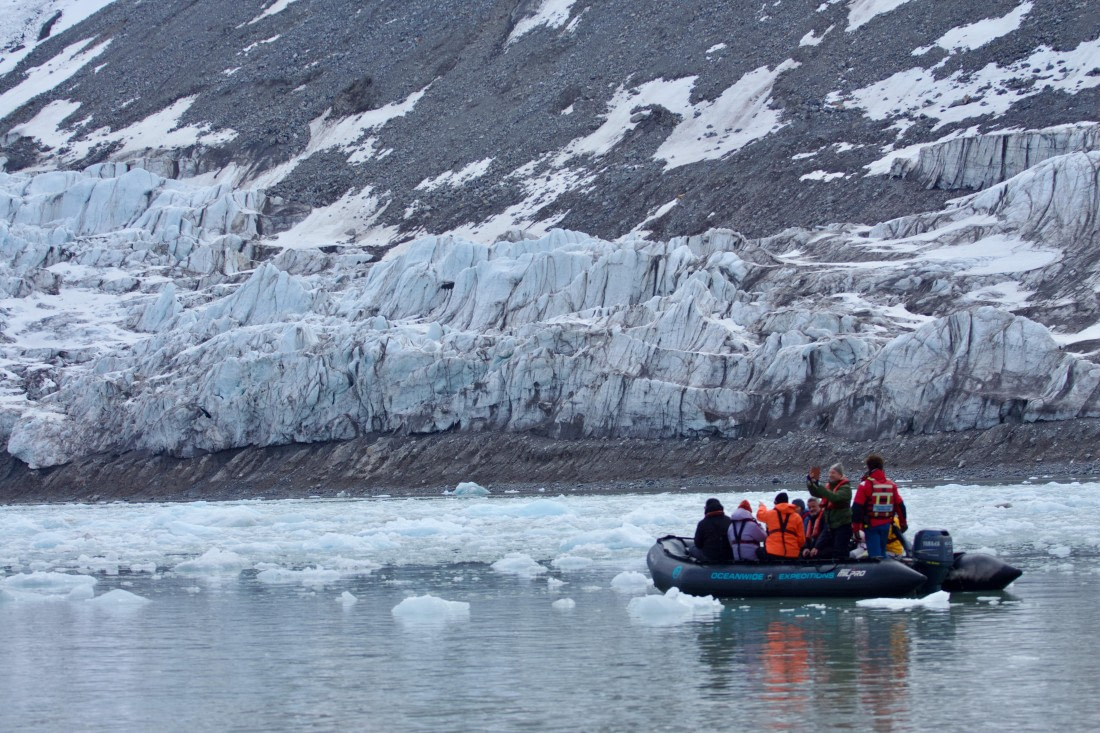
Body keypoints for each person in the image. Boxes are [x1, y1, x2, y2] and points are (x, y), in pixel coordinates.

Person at [852, 454, 907, 558]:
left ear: (868, 467)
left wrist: (855, 529)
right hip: (886, 525)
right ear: (882, 467)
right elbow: (900, 506)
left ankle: (879, 571)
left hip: (871, 526)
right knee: (882, 551)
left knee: (875, 555)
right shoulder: (891, 485)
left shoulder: (865, 485)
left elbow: (856, 508)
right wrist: (903, 523)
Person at [805, 463, 853, 559]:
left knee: (840, 550)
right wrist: (811, 483)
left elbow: (834, 497)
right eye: (829, 473)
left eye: (833, 473)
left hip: (843, 524)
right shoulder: (829, 487)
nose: (830, 475)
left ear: (840, 475)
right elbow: (816, 492)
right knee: (834, 550)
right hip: (832, 525)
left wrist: (819, 484)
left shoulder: (846, 488)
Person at [757, 492, 806, 559]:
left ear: (776, 503)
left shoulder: (770, 514)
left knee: (759, 551)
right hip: (792, 554)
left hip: (773, 553)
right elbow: (801, 540)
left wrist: (762, 506)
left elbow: (759, 515)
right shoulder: (797, 517)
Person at [691, 498, 733, 563]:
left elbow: (698, 544)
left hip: (709, 557)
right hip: (728, 556)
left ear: (707, 508)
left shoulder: (702, 523)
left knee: (692, 548)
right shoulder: (729, 521)